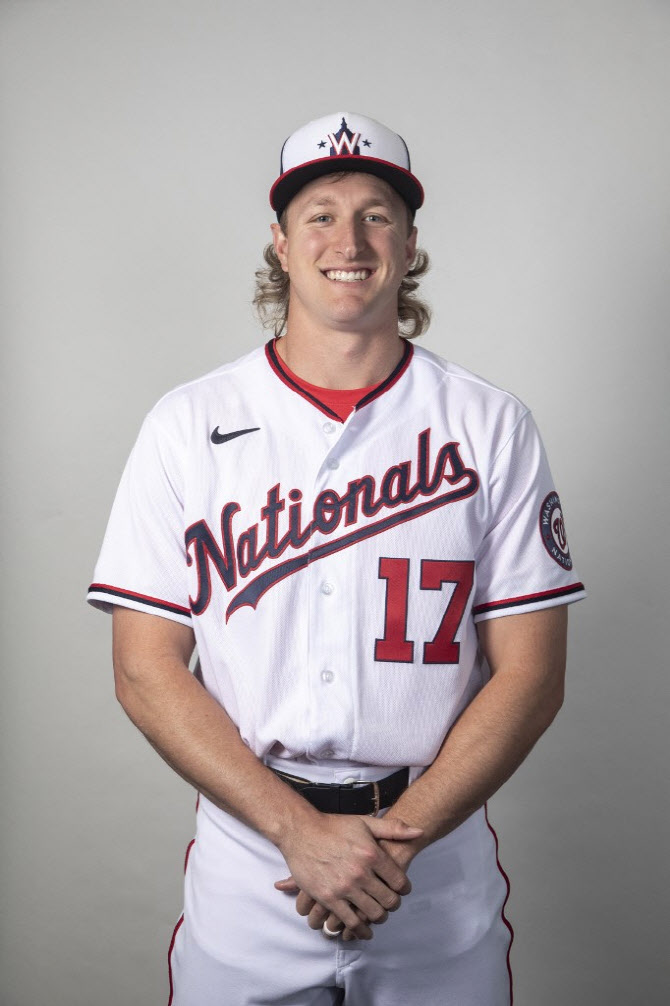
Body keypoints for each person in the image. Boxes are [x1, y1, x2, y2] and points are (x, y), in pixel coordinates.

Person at [88, 111, 586, 1005]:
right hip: (254, 856)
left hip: (432, 860)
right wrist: (297, 832)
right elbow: (143, 669)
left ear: (410, 244)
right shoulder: (187, 424)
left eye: (376, 215)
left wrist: (395, 843)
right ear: (280, 243)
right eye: (319, 215)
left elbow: (533, 675)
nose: (348, 241)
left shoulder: (490, 425)